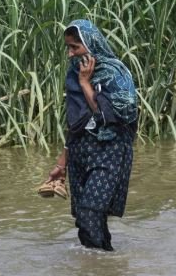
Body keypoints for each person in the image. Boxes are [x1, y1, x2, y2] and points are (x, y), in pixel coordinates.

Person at [47, 20, 138, 251]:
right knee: (84, 219)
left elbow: (115, 114)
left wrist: (85, 83)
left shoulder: (116, 73)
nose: (70, 54)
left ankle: (103, 268)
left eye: (75, 47)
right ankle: (101, 274)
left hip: (109, 149)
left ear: (91, 44)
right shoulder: (73, 73)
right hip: (81, 152)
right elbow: (76, 123)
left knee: (91, 211)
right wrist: (62, 162)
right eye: (68, 47)